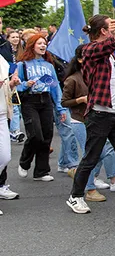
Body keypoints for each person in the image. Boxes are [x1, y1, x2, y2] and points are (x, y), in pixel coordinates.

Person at [66, 15, 115, 216]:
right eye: (112, 26)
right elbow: (114, 41)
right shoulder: (90, 49)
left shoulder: (110, 53)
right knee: (91, 157)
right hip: (99, 114)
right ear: (102, 31)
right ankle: (75, 196)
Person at [62, 45, 115, 203]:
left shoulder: (99, 74)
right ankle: (89, 189)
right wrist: (80, 99)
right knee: (92, 153)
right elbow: (64, 101)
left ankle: (96, 177)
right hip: (80, 120)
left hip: (99, 118)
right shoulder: (73, 79)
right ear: (81, 59)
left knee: (103, 150)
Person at [15, 33, 68, 182]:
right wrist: (26, 84)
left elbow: (55, 88)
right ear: (32, 45)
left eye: (44, 43)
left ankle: (41, 171)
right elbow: (16, 86)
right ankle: (24, 162)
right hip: (29, 101)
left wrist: (60, 108)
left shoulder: (49, 66)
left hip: (45, 101)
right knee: (35, 135)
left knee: (46, 136)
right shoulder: (22, 65)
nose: (43, 46)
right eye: (39, 43)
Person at [0, 55, 21, 211]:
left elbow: (6, 86)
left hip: (1, 113)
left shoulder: (1, 59)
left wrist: (12, 84)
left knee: (5, 156)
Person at [6, 30, 23, 142]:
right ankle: (12, 131)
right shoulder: (5, 51)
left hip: (18, 83)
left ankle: (14, 131)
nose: (16, 39)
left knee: (16, 107)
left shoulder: (21, 51)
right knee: (11, 108)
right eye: (13, 37)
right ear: (7, 39)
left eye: (17, 37)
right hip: (6, 82)